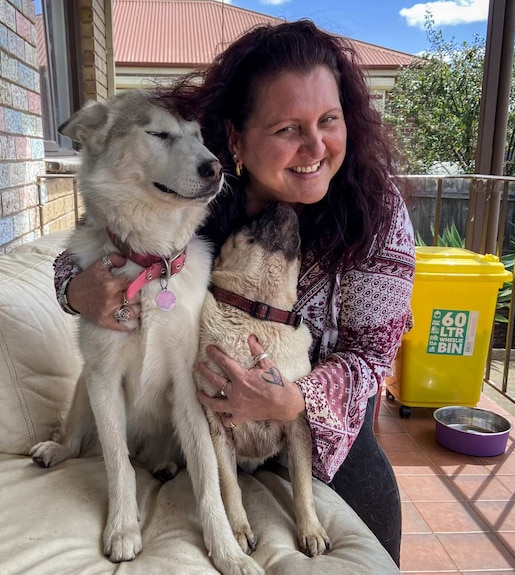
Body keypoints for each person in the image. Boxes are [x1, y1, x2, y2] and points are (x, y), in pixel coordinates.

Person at [52, 20, 415, 566]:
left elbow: (373, 356)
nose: (315, 146)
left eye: (329, 120)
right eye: (288, 128)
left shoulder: (377, 215)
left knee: (373, 531)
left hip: (309, 416)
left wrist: (294, 399)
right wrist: (77, 289)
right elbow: (91, 242)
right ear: (238, 138)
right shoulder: (192, 185)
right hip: (207, 415)